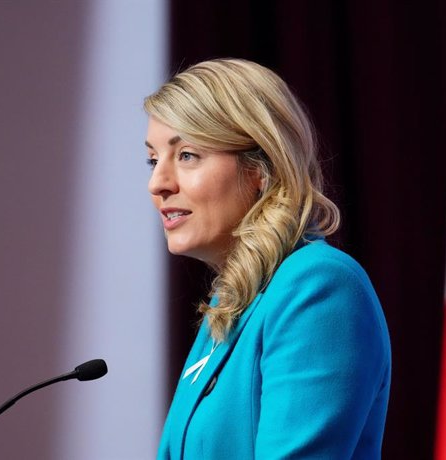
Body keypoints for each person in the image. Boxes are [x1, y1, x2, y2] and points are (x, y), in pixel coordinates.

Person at [144, 58, 391, 460]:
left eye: (187, 155)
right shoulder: (232, 302)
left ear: (261, 167)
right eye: (153, 160)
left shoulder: (318, 287)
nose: (158, 183)